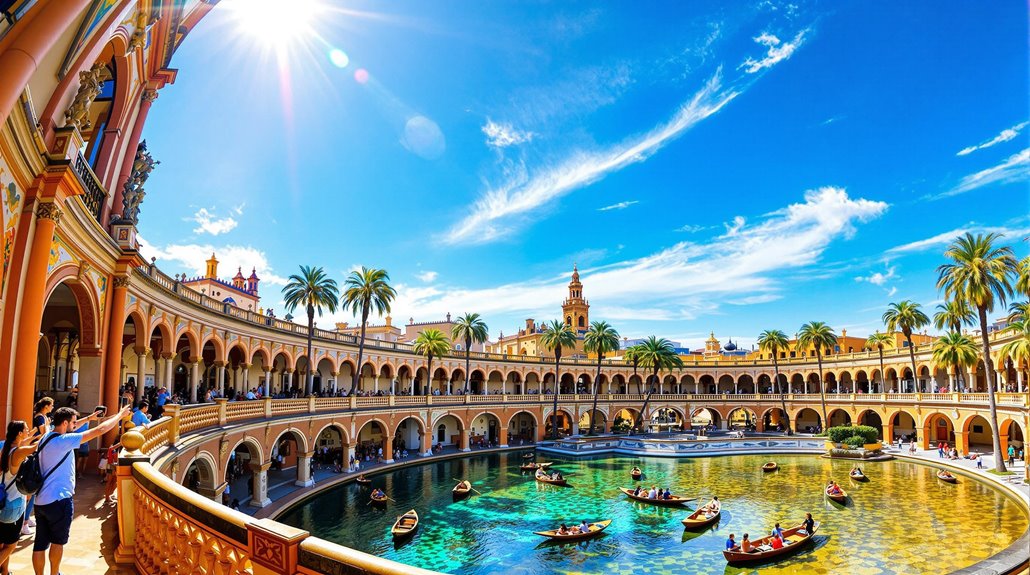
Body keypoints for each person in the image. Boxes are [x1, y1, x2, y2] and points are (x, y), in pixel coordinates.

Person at [32, 405, 130, 575]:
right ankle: (54, 573)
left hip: (41, 501)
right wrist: (120, 415)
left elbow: (75, 426)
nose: (75, 426)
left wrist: (88, 418)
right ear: (64, 423)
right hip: (59, 500)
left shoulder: (46, 437)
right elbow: (100, 430)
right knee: (57, 542)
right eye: (73, 423)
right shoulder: (63, 442)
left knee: (40, 544)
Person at [0, 421, 35, 573]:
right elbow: (37, 447)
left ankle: (5, 572)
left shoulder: (5, 449)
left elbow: (27, 443)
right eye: (26, 429)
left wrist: (35, 433)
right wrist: (48, 432)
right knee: (12, 545)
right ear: (19, 433)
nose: (28, 431)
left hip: (2, 503)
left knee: (2, 543)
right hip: (13, 506)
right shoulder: (17, 453)